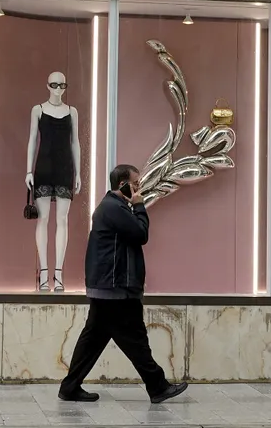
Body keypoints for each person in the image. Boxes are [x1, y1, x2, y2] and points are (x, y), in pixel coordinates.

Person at [58, 164, 188, 404]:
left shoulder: (113, 207)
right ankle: (157, 386)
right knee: (135, 338)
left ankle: (70, 387)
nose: (139, 188)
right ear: (123, 185)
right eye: (135, 184)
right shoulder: (113, 208)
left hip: (109, 288)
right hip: (115, 289)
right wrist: (139, 204)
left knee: (93, 340)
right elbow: (141, 234)